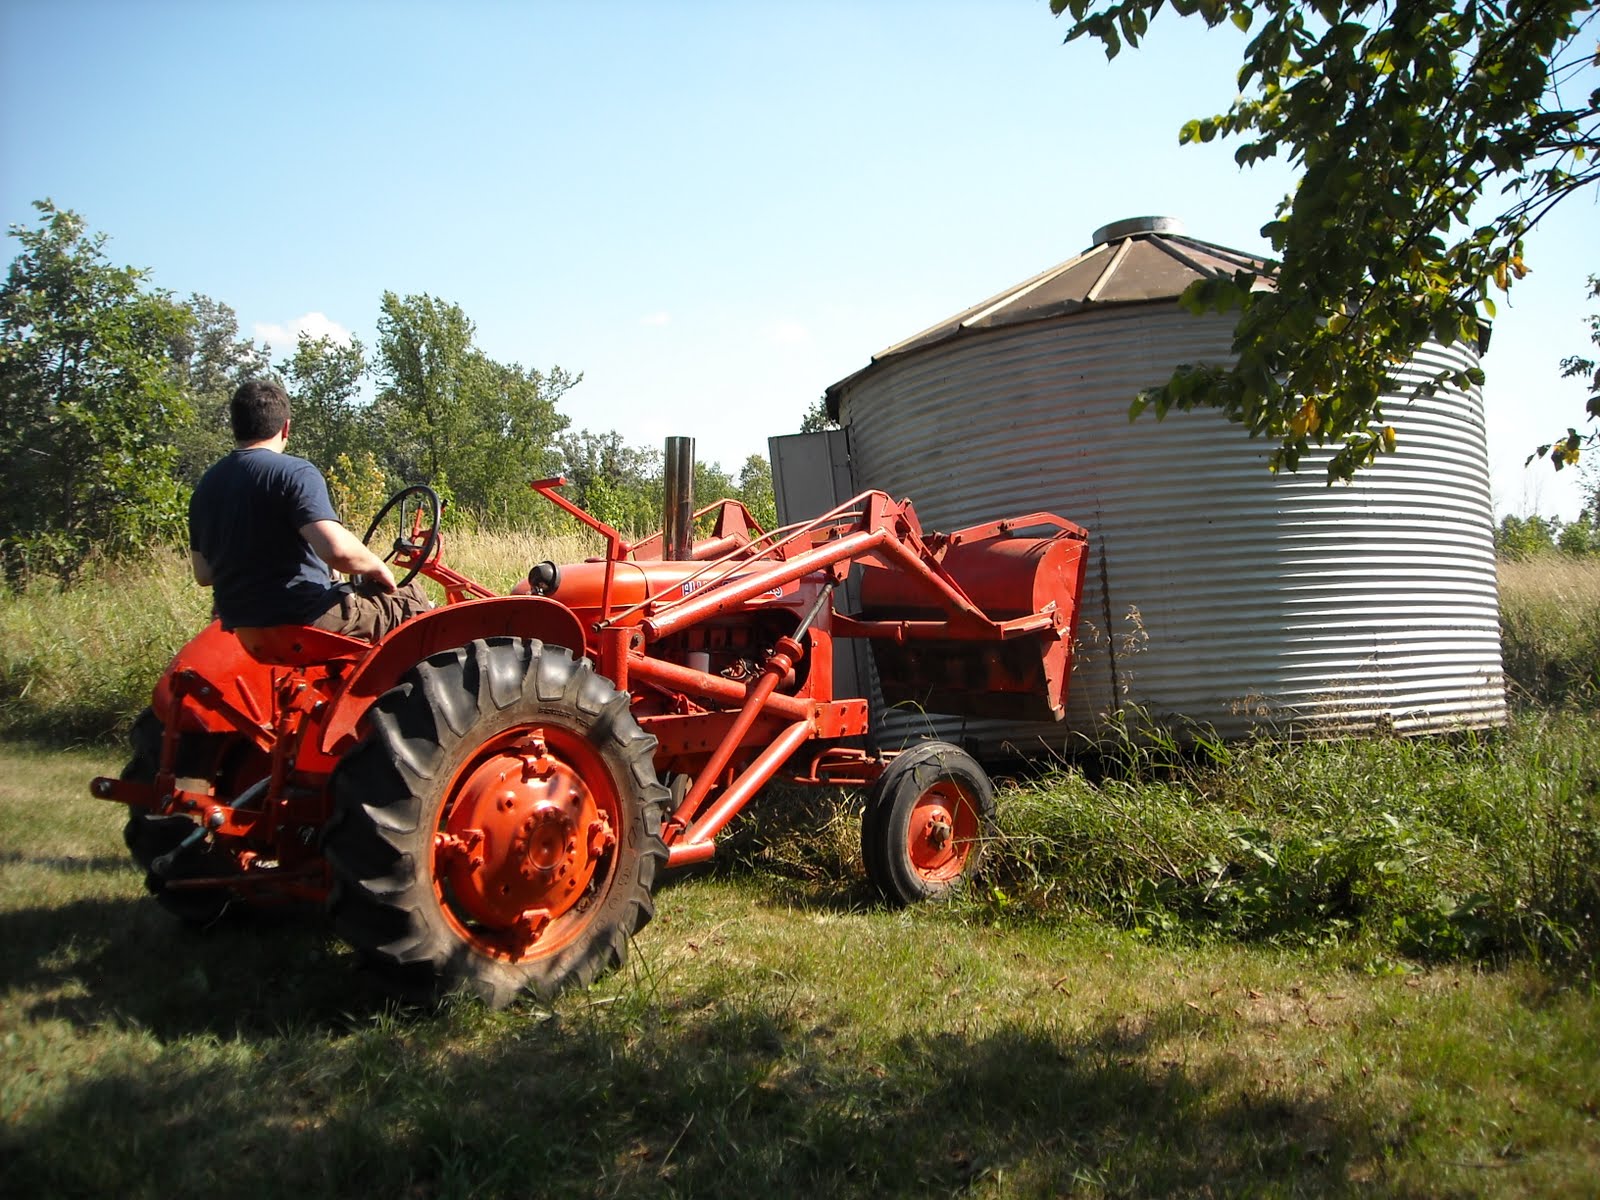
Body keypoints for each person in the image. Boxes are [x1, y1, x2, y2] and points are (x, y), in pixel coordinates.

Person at [189, 379, 430, 642]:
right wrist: (376, 566)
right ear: (286, 427)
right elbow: (336, 551)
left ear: (235, 426)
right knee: (409, 599)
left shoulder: (206, 485)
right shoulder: (294, 472)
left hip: (243, 626)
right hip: (301, 617)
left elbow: (204, 574)